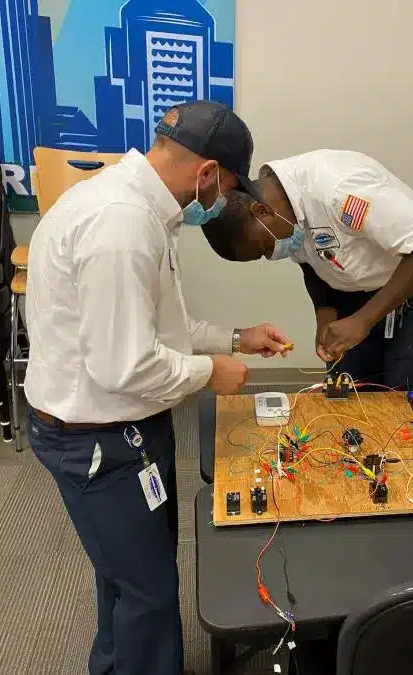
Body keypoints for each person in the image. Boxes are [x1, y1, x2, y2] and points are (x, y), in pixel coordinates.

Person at [24, 101, 291, 675]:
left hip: (122, 429)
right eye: (226, 189)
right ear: (208, 173)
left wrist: (236, 339)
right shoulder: (121, 225)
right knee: (147, 592)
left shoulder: (138, 208)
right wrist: (210, 374)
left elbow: (162, 328)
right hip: (99, 440)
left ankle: (116, 663)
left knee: (127, 576)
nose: (221, 203)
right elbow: (124, 366)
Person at [199, 149, 413, 390]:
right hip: (359, 287)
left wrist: (363, 320)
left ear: (263, 211)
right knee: (347, 386)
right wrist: (326, 319)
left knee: (405, 395)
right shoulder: (283, 209)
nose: (272, 255)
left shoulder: (340, 191)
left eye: (265, 247)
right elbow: (312, 264)